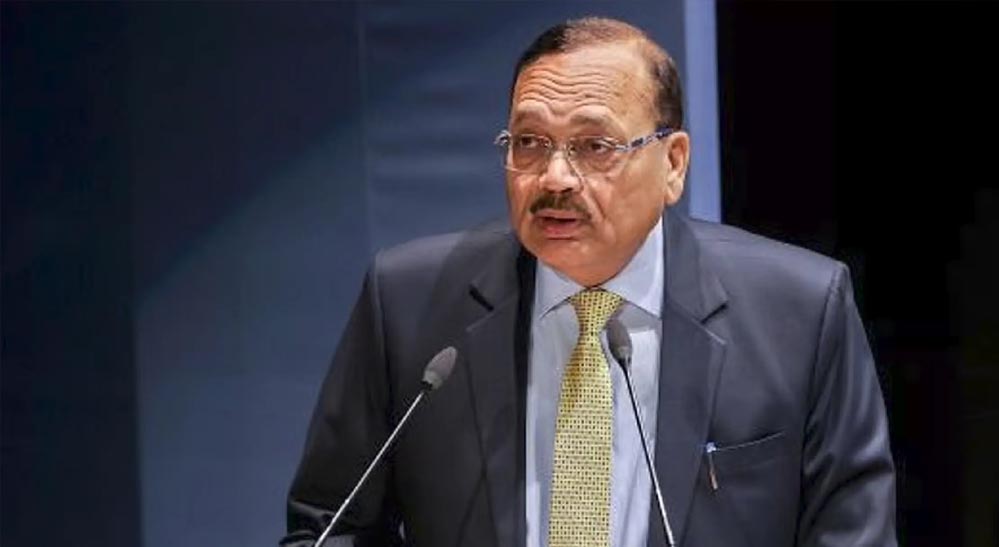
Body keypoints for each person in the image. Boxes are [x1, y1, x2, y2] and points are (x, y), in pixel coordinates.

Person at [281, 17, 896, 547]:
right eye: (529, 142)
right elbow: (332, 527)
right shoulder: (409, 303)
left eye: (594, 146)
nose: (554, 177)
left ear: (674, 163)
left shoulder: (801, 313)